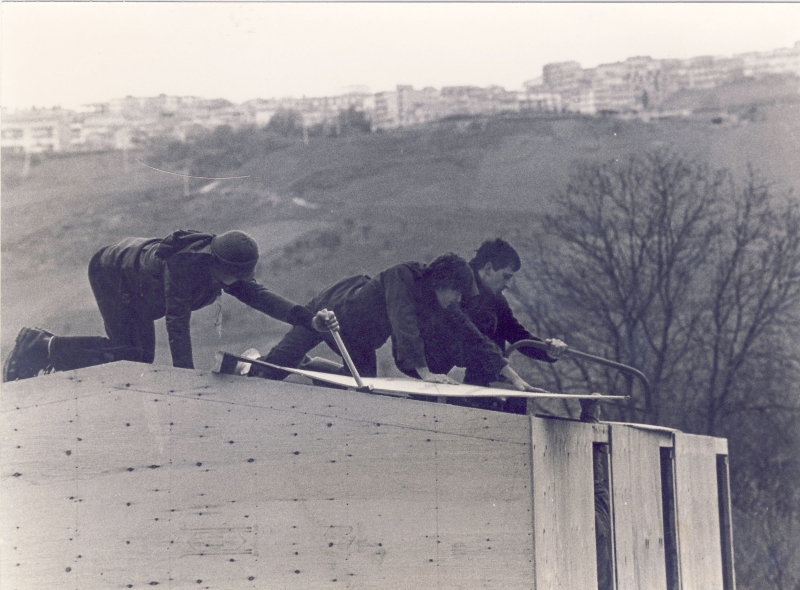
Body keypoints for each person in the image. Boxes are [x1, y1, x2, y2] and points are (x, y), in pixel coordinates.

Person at [3, 229, 337, 382]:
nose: (239, 285)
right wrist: (187, 381)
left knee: (133, 353)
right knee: (132, 353)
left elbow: (263, 297)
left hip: (136, 284)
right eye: (236, 278)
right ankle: (41, 346)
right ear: (217, 266)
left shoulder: (223, 267)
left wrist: (309, 320)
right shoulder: (185, 266)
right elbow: (176, 324)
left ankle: (45, 347)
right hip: (112, 272)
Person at [248, 253, 541, 392]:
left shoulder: (437, 295)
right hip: (327, 314)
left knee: (360, 391)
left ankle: (307, 366)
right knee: (271, 371)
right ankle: (253, 364)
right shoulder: (402, 277)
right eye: (456, 294)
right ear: (445, 283)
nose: (456, 302)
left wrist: (514, 378)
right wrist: (425, 373)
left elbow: (472, 335)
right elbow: (404, 326)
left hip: (359, 341)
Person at [461, 238, 599, 421]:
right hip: (442, 379)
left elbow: (517, 335)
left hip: (484, 380)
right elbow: (473, 341)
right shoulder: (457, 289)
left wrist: (549, 350)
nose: (508, 284)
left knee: (517, 401)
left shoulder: (496, 300)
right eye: (506, 276)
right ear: (487, 269)